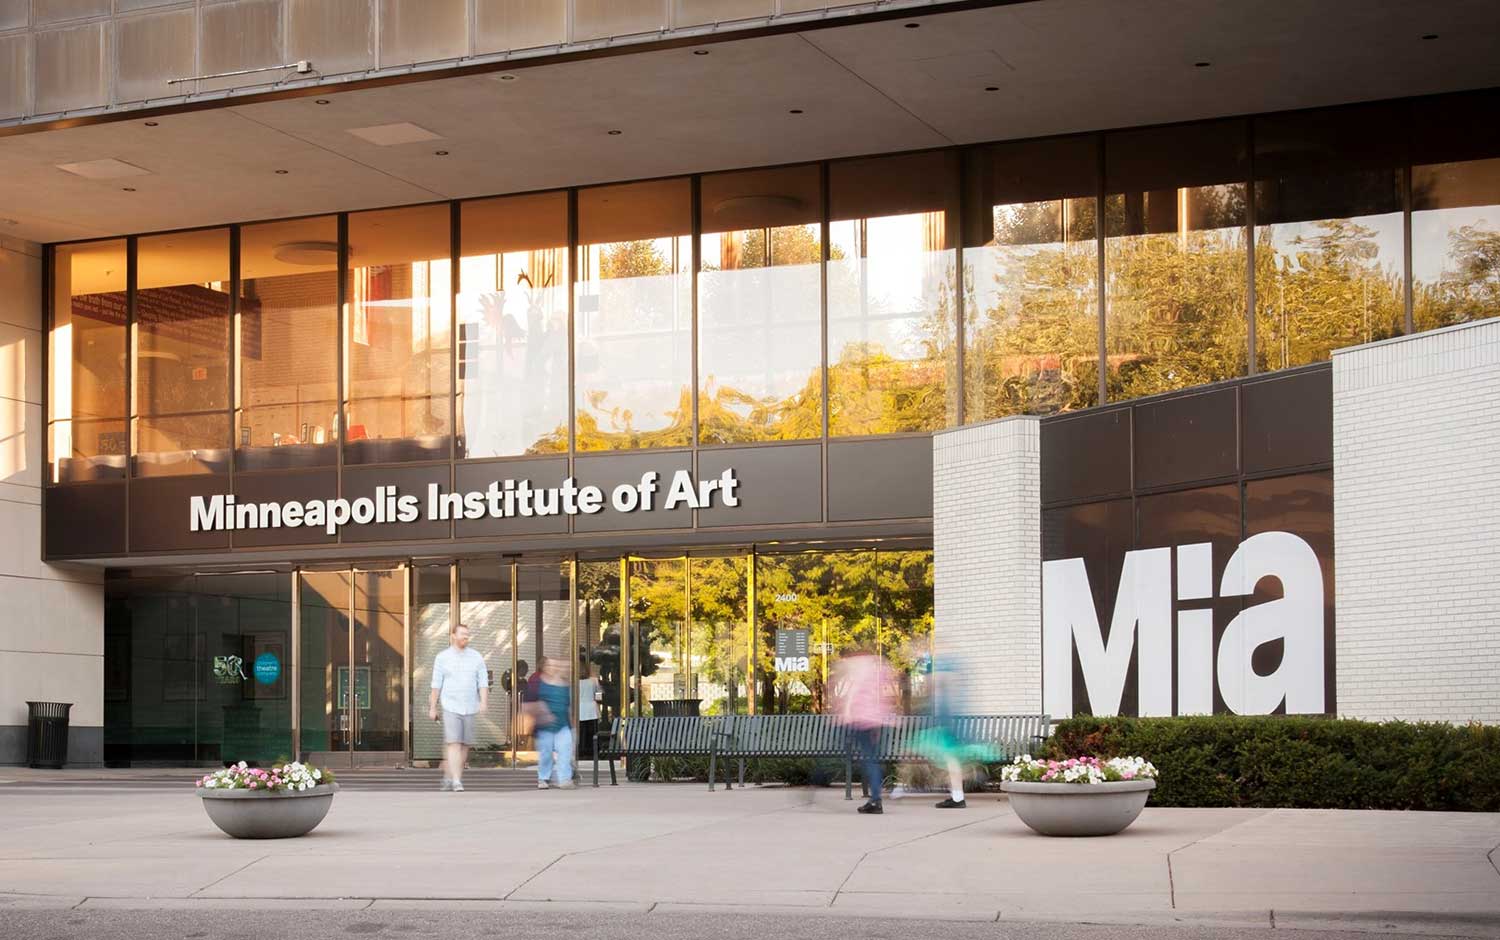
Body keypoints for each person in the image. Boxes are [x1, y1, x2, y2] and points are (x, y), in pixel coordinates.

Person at [831, 645, 896, 815]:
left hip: (859, 719)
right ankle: (875, 799)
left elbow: (853, 694)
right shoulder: (878, 669)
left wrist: (845, 713)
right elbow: (886, 695)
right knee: (871, 759)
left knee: (866, 759)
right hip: (874, 720)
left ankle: (875, 800)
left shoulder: (858, 668)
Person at [428, 623, 488, 792]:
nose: (465, 637)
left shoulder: (476, 657)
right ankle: (456, 780)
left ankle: (450, 775)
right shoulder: (442, 657)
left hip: (470, 707)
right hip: (450, 706)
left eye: (467, 634)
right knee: (454, 743)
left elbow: (482, 682)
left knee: (464, 745)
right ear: (453, 635)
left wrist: (483, 702)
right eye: (462, 634)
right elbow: (436, 685)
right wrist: (433, 707)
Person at [528, 656, 575, 789]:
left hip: (563, 724)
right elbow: (530, 702)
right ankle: (543, 777)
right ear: (545, 667)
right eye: (551, 665)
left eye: (556, 666)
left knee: (565, 750)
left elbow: (567, 705)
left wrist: (572, 723)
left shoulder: (565, 684)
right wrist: (542, 713)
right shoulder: (538, 682)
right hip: (545, 726)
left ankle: (564, 778)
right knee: (546, 753)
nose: (554, 668)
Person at [577, 658, 602, 760]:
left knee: (581, 732)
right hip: (592, 709)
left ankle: (581, 751)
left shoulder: (574, 682)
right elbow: (599, 694)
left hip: (580, 710)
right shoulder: (594, 680)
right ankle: (592, 752)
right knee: (592, 733)